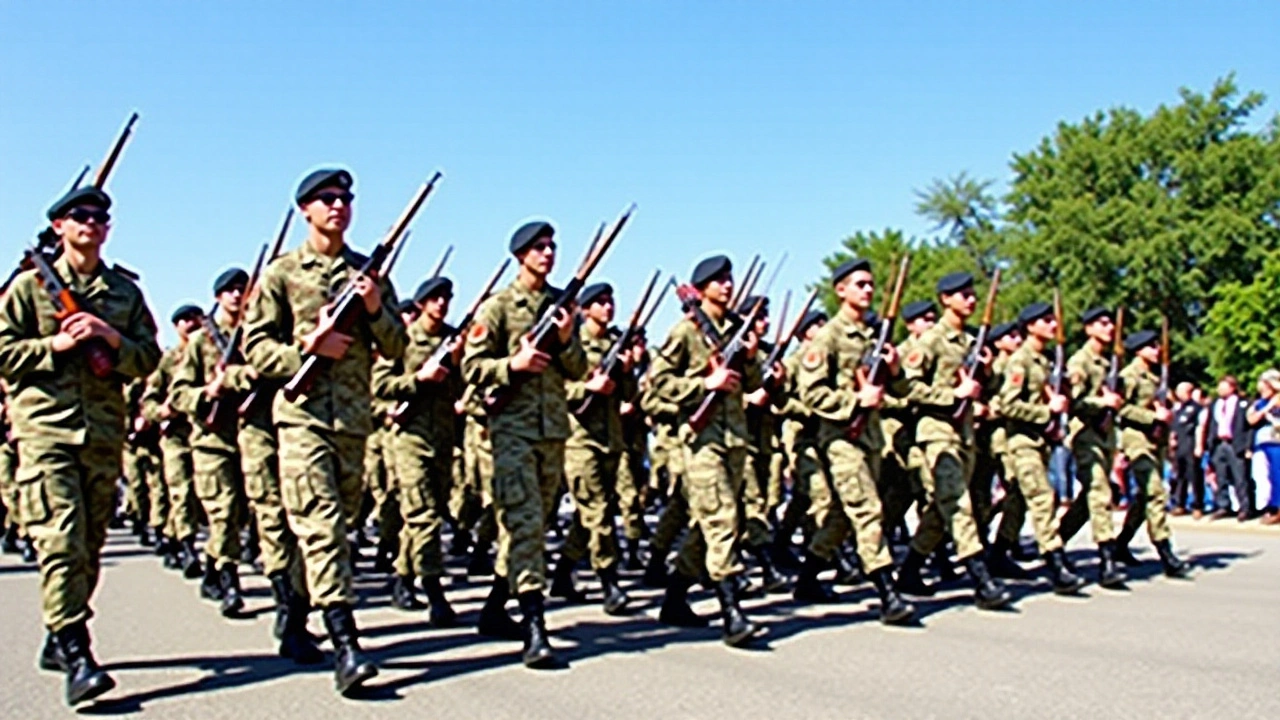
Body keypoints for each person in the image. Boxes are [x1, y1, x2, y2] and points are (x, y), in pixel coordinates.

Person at [243, 168, 406, 695]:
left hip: (353, 422)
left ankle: (292, 617)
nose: (339, 206)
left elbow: (398, 344)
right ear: (305, 211)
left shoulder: (368, 275)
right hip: (303, 418)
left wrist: (376, 307)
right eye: (326, 199)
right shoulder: (282, 274)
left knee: (329, 526)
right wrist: (305, 352)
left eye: (345, 199)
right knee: (323, 526)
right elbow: (256, 347)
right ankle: (346, 642)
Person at [0, 185, 162, 705]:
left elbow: (148, 358)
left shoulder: (124, 294)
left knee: (88, 545)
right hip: (45, 428)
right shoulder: (28, 290)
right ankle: (77, 651)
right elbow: (3, 353)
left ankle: (58, 629)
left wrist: (111, 339)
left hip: (102, 432)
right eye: (80, 216)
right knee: (62, 538)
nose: (91, 223)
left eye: (99, 217)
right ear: (60, 228)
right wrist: (57, 345)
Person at [461, 220, 586, 667]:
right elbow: (471, 367)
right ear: (520, 256)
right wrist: (512, 365)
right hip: (511, 431)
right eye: (538, 248)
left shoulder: (561, 307)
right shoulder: (498, 308)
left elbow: (578, 370)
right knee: (527, 523)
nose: (547, 254)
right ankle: (536, 627)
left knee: (530, 526)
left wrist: (568, 340)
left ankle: (495, 608)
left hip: (552, 431)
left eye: (552, 246)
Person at [648, 255, 765, 645]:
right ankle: (732, 612)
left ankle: (675, 597)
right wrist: (705, 384)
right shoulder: (685, 333)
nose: (727, 285)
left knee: (706, 527)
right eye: (718, 280)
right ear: (700, 290)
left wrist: (748, 359)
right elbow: (658, 383)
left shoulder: (735, 330)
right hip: (700, 444)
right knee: (723, 520)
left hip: (734, 439)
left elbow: (750, 384)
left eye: (729, 278)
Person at [793, 258, 915, 623]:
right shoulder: (828, 337)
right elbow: (811, 393)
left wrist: (895, 371)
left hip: (871, 437)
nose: (868, 290)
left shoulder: (874, 337)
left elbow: (902, 391)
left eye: (870, 284)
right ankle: (887, 593)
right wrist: (853, 402)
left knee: (843, 518)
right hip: (841, 438)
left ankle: (807, 578)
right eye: (859, 284)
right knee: (867, 509)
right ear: (840, 290)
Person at [896, 272, 1011, 610]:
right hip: (936, 431)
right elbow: (906, 387)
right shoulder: (929, 341)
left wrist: (986, 375)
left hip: (965, 432)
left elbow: (989, 390)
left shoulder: (972, 342)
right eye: (963, 294)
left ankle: (911, 570)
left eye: (973, 293)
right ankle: (981, 580)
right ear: (945, 299)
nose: (971, 299)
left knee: (939, 508)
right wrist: (952, 395)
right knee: (958, 502)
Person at [374, 275, 464, 626]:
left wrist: (454, 364)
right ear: (422, 303)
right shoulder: (402, 340)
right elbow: (379, 385)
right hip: (409, 439)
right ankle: (435, 591)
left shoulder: (452, 340)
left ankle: (403, 576)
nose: (442, 304)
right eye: (435, 298)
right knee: (423, 516)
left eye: (447, 298)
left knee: (430, 513)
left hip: (443, 438)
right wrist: (418, 380)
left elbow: (461, 388)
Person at [170, 268, 254, 616]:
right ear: (218, 296)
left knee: (241, 514)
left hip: (250, 437)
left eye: (242, 289)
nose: (237, 295)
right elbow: (178, 394)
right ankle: (230, 581)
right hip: (211, 440)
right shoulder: (201, 342)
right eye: (230, 290)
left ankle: (212, 563)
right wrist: (210, 391)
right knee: (222, 510)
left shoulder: (255, 335)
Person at [994, 302, 1084, 594]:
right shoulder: (1020, 361)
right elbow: (1007, 404)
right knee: (1043, 498)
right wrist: (1046, 411)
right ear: (1030, 326)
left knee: (1018, 500)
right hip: (1022, 441)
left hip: (1042, 440)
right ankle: (1055, 563)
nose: (1054, 325)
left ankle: (999, 552)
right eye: (1046, 320)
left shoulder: (1045, 362)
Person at [556, 282, 634, 614]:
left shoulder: (616, 343)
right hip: (580, 440)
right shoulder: (570, 342)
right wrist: (587, 387)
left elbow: (628, 395)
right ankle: (609, 581)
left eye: (610, 300)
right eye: (600, 302)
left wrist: (627, 371)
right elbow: (555, 388)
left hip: (610, 438)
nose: (607, 306)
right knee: (598, 511)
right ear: (585, 310)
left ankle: (562, 574)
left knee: (587, 516)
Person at [1057, 307, 1127, 589]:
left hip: (1105, 436)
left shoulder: (1107, 362)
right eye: (1102, 323)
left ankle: (1055, 540)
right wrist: (1103, 403)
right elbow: (1072, 402)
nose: (1109, 328)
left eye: (1111, 323)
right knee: (1099, 492)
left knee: (1090, 498)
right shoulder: (1080, 362)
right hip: (1084, 433)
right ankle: (1107, 561)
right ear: (1088, 329)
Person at [1113, 331, 1189, 577]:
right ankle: (1165, 552)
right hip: (1136, 439)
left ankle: (1121, 543)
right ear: (1139, 350)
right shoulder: (1129, 376)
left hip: (1156, 441)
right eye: (1152, 346)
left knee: (1144, 497)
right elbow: (1120, 407)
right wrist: (1151, 417)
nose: (1157, 350)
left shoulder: (1157, 377)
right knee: (1155, 492)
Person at [144, 304, 205, 579]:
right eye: (183, 320)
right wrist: (163, 412)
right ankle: (189, 547)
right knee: (181, 490)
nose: (190, 323)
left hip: (208, 431)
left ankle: (173, 533)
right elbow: (149, 403)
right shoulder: (168, 360)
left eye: (195, 318)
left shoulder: (211, 349)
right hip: (177, 435)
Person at [1205, 375, 1254, 521]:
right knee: (1221, 477)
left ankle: (1245, 508)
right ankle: (1223, 505)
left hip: (1235, 444)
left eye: (1223, 386)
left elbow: (1248, 427)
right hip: (1219, 443)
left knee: (1240, 477)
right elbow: (1210, 424)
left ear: (1232, 387)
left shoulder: (1243, 403)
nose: (1220, 389)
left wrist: (1248, 446)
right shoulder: (1215, 404)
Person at [1246, 370, 1280, 523]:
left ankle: (1276, 508)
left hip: (1277, 442)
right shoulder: (1260, 403)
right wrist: (1265, 409)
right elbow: (1251, 419)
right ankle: (1268, 507)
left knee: (1277, 475)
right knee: (1263, 477)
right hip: (1262, 443)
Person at [1170, 381, 1206, 518]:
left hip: (1191, 444)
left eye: (1181, 391)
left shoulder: (1197, 408)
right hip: (1179, 445)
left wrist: (1199, 445)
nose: (1178, 393)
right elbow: (1174, 427)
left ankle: (1198, 505)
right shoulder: (1178, 408)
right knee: (1180, 476)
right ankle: (1180, 504)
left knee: (1194, 475)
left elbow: (1200, 427)